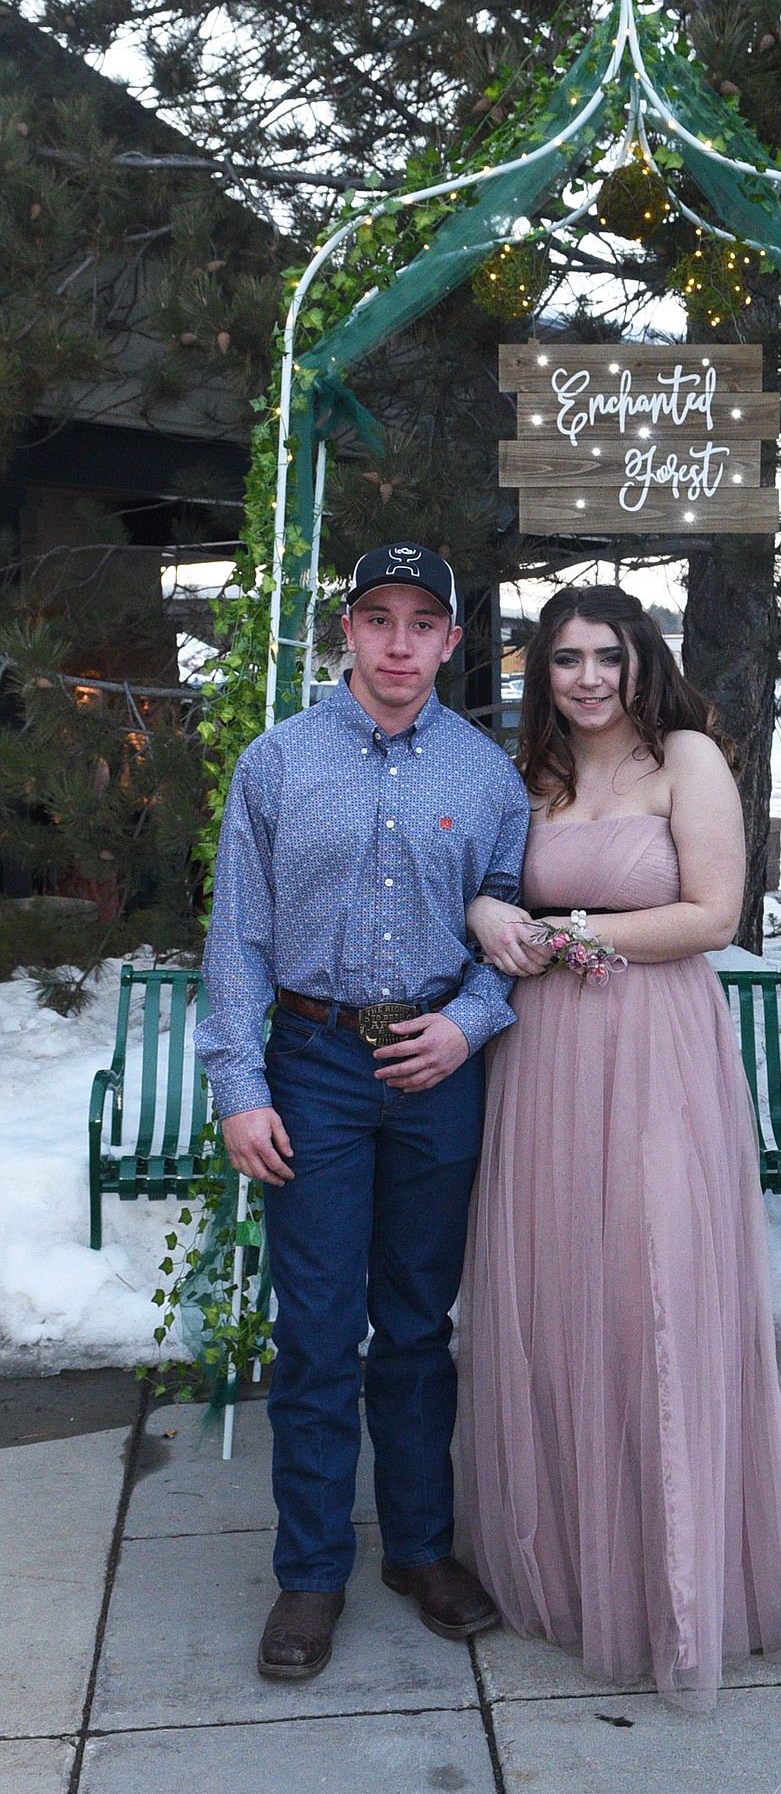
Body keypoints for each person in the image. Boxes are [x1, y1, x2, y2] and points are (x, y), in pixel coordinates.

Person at [459, 585, 781, 1712]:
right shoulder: (532, 778)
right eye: (565, 660)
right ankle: (577, 1568)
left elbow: (712, 913)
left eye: (608, 657)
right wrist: (495, 921)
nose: (587, 678)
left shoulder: (685, 757)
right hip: (541, 1063)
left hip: (655, 1053)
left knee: (659, 1294)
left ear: (643, 662)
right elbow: (489, 896)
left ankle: (681, 1583)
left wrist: (577, 933)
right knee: (563, 1296)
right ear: (541, 673)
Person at [195, 541, 530, 1681]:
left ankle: (423, 1551)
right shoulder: (277, 764)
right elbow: (235, 935)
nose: (398, 643)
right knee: (319, 1330)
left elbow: (510, 931)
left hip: (433, 1066)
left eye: (421, 622)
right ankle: (312, 1571)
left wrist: (469, 1025)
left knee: (421, 1327)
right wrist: (240, 1088)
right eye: (377, 618)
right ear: (346, 629)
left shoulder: (487, 777)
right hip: (315, 1064)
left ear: (449, 640)